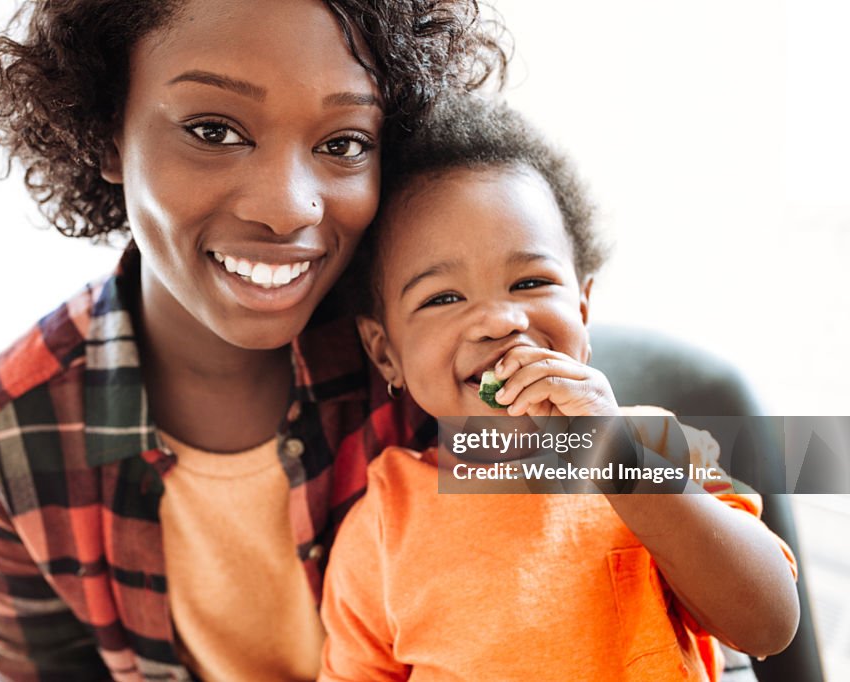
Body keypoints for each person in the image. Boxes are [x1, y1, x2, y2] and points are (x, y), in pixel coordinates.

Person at [0, 1, 508, 680]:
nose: (286, 207)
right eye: (213, 130)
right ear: (105, 134)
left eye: (344, 143)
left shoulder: (434, 346)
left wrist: (599, 441)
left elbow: (667, 471)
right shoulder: (11, 426)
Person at [318, 96, 800, 681]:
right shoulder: (383, 525)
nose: (499, 321)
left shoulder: (654, 446)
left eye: (530, 281)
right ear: (384, 352)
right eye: (443, 297)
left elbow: (769, 627)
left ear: (583, 306)